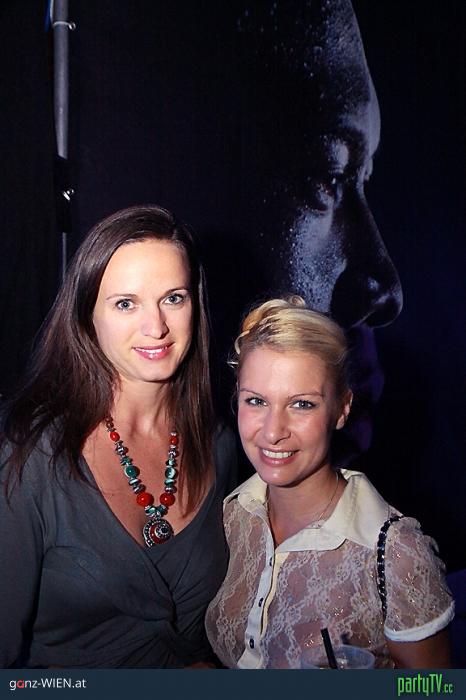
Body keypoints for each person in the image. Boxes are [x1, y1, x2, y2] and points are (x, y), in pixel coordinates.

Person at [0, 204, 236, 668]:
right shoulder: (27, 455)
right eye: (126, 303)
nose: (156, 327)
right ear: (86, 316)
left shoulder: (220, 442)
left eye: (173, 298)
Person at [205, 297, 453, 669]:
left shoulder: (395, 554)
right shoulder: (233, 515)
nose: (272, 432)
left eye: (302, 404)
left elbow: (435, 687)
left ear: (342, 408)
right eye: (256, 401)